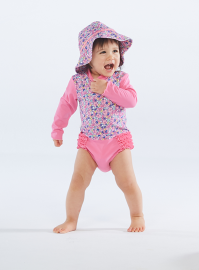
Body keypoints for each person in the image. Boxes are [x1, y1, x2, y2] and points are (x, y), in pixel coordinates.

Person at [51, 21, 145, 233]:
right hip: (89, 144)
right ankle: (71, 220)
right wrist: (58, 129)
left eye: (115, 50)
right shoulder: (78, 81)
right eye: (102, 51)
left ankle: (137, 215)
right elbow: (66, 104)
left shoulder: (120, 79)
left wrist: (108, 89)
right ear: (88, 58)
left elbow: (131, 101)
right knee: (77, 182)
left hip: (117, 142)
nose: (111, 56)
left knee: (127, 182)